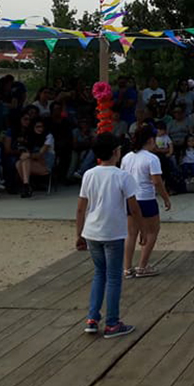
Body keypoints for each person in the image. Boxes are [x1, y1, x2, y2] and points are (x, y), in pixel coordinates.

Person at [75, 134, 142, 339]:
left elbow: (81, 208)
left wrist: (79, 234)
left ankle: (92, 318)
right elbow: (134, 208)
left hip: (92, 231)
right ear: (115, 152)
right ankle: (112, 323)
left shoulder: (89, 174)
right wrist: (141, 230)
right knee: (113, 277)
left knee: (99, 274)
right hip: (113, 232)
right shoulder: (123, 176)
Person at [121, 126, 172, 278]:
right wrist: (165, 197)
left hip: (130, 197)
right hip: (146, 198)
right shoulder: (151, 158)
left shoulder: (127, 157)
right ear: (150, 140)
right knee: (152, 231)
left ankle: (127, 267)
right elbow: (157, 182)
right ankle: (142, 266)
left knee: (131, 233)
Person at [16, 118, 55, 197]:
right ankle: (27, 185)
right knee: (18, 163)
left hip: (45, 164)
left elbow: (40, 154)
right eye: (37, 127)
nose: (40, 129)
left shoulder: (49, 137)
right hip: (33, 163)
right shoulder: (31, 137)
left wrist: (28, 155)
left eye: (41, 127)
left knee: (25, 161)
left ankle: (26, 186)